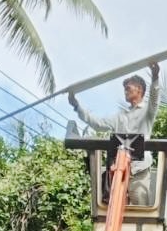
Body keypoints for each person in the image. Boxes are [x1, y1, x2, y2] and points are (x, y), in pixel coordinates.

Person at [69, 63, 161, 205]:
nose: (125, 92)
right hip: (119, 168)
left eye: (128, 88)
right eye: (124, 89)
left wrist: (155, 78)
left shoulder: (147, 112)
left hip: (139, 168)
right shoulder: (120, 116)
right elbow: (98, 124)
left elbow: (154, 101)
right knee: (114, 204)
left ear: (139, 89)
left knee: (140, 203)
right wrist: (77, 106)